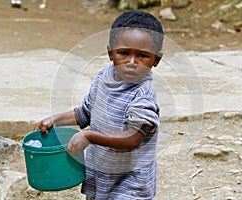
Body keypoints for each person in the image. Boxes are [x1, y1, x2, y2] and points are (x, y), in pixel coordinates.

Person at [34, 10, 164, 199]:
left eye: (142, 56)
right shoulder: (103, 77)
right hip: (102, 174)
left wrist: (89, 136)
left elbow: (133, 138)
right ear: (111, 53)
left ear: (156, 60)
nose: (132, 62)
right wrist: (56, 119)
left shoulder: (142, 96)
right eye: (124, 53)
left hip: (130, 181)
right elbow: (86, 112)